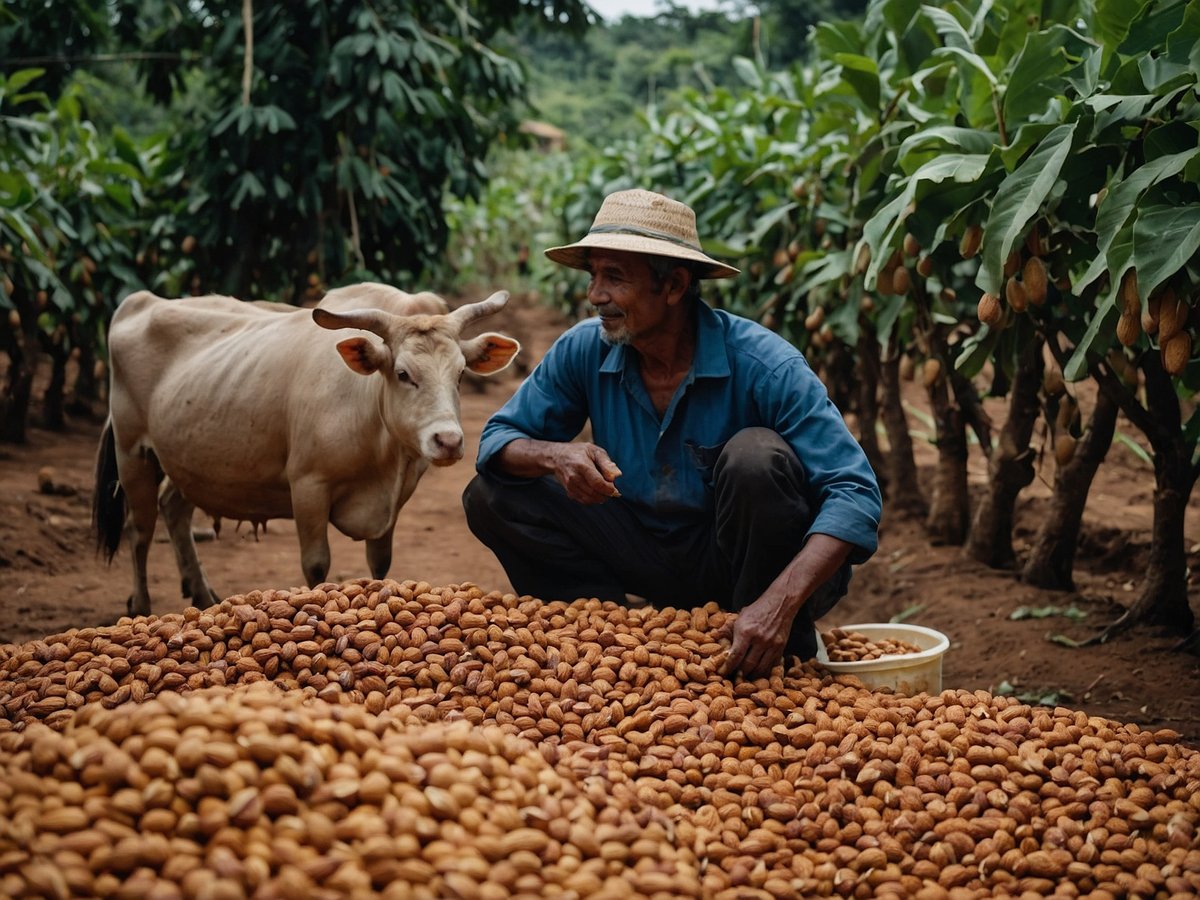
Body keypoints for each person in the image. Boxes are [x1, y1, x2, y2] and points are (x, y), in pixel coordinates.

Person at [462, 188, 881, 678]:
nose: (595, 294)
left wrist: (779, 604)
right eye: (594, 275)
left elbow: (854, 493)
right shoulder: (585, 349)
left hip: (747, 566)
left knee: (755, 457)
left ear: (675, 285)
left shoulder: (765, 364)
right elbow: (499, 439)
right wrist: (555, 455)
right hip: (646, 549)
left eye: (615, 277)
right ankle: (604, 639)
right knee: (492, 495)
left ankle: (769, 645)